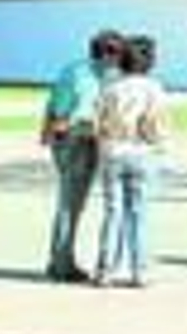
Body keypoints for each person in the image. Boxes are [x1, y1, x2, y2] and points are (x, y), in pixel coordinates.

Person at [41, 29, 125, 283]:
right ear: (107, 54)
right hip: (77, 138)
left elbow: (53, 102)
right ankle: (60, 263)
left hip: (83, 137)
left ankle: (61, 259)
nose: (120, 60)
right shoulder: (85, 74)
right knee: (70, 203)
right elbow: (60, 108)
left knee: (73, 203)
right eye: (117, 54)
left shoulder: (76, 70)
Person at [92, 35, 170, 288]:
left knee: (112, 211)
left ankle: (105, 270)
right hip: (142, 153)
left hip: (113, 153)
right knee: (139, 213)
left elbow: (99, 123)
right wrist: (157, 144)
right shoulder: (154, 89)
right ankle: (140, 271)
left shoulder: (111, 87)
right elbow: (156, 125)